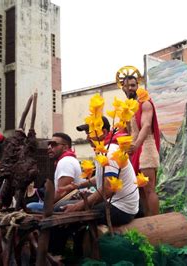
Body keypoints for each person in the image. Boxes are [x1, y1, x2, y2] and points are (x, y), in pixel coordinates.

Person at [61, 117, 139, 226]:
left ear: (104, 132)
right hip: (118, 204)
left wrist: (78, 206)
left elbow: (108, 189)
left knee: (62, 212)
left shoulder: (110, 152)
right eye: (87, 133)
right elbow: (101, 178)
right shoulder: (104, 150)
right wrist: (77, 186)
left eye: (91, 132)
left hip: (120, 209)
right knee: (64, 206)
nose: (87, 137)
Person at [122, 75, 160, 216]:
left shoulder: (145, 103)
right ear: (123, 88)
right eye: (128, 86)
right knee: (139, 190)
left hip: (146, 149)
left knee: (149, 189)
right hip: (134, 151)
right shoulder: (129, 107)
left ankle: (156, 223)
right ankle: (146, 222)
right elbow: (128, 131)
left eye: (133, 85)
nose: (131, 88)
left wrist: (136, 145)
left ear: (137, 86)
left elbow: (146, 125)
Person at [26, 132, 82, 212]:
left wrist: (46, 204)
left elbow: (62, 192)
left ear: (65, 147)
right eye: (49, 144)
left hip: (67, 204)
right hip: (66, 201)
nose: (49, 147)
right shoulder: (68, 160)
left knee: (30, 206)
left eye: (53, 144)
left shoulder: (65, 161)